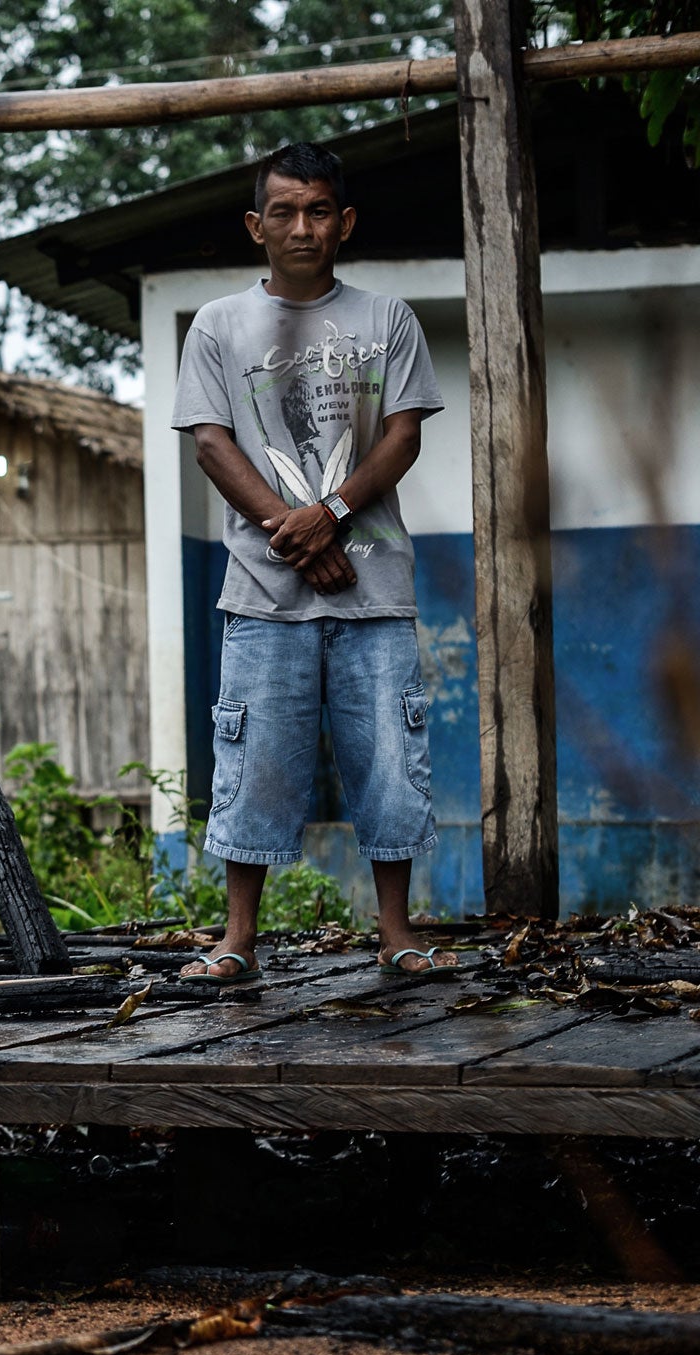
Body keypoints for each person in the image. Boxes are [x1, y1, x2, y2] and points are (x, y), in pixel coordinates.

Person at [170, 141, 458, 982]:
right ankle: (237, 940)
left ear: (346, 222)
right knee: (255, 761)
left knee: (389, 766)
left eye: (320, 209)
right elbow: (211, 445)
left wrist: (329, 517)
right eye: (286, 211)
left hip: (375, 589)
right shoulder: (219, 325)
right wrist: (290, 534)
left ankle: (398, 934)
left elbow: (402, 436)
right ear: (257, 226)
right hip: (262, 592)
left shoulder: (386, 319)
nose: (304, 226)